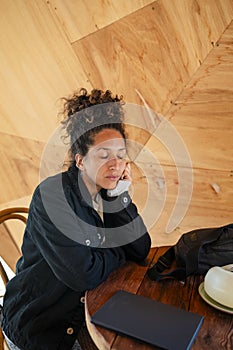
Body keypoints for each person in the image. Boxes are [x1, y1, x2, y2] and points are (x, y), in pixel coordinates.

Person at [1, 88, 151, 350]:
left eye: (120, 154)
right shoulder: (52, 196)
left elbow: (140, 249)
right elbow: (83, 275)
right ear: (81, 161)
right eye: (104, 155)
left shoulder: (107, 191)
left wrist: (118, 197)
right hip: (41, 325)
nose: (115, 166)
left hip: (83, 312)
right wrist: (117, 251)